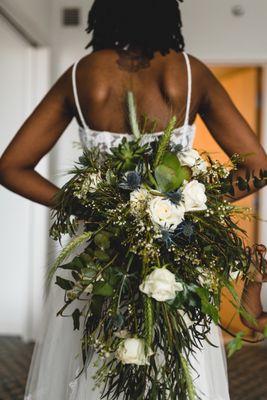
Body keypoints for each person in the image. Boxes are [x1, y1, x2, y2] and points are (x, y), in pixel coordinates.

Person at [0, 0, 266, 399]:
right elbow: (257, 167)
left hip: (97, 254)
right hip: (175, 250)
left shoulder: (81, 76)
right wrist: (187, 202)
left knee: (94, 363)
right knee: (179, 368)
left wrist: (85, 206)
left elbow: (11, 166)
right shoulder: (190, 73)